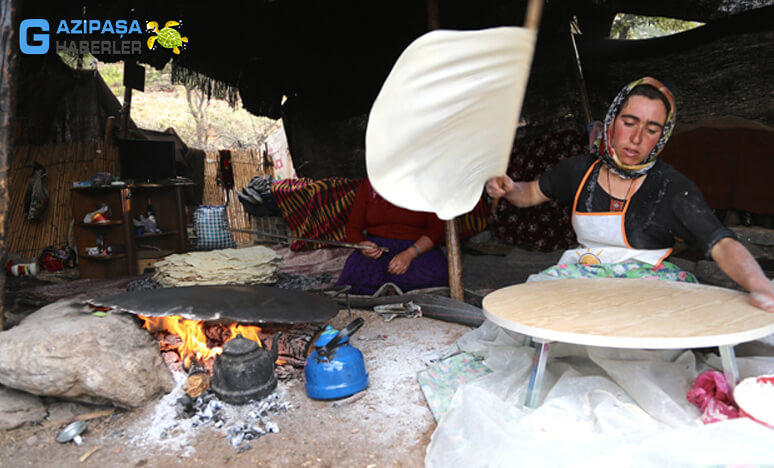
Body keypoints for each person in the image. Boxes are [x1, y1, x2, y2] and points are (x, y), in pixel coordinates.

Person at [486, 76, 774, 312]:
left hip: (648, 285)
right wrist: (511, 188)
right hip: (583, 277)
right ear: (612, 121)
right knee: (536, 310)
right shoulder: (578, 171)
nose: (636, 139)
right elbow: (532, 193)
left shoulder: (671, 187)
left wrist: (760, 285)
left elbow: (721, 243)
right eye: (629, 122)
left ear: (662, 136)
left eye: (651, 130)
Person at [334, 179, 449, 295]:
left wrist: (409, 254)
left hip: (418, 247)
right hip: (378, 247)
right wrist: (362, 245)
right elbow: (353, 228)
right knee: (357, 276)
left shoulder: (428, 187)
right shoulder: (369, 186)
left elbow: (436, 231)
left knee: (429, 279)